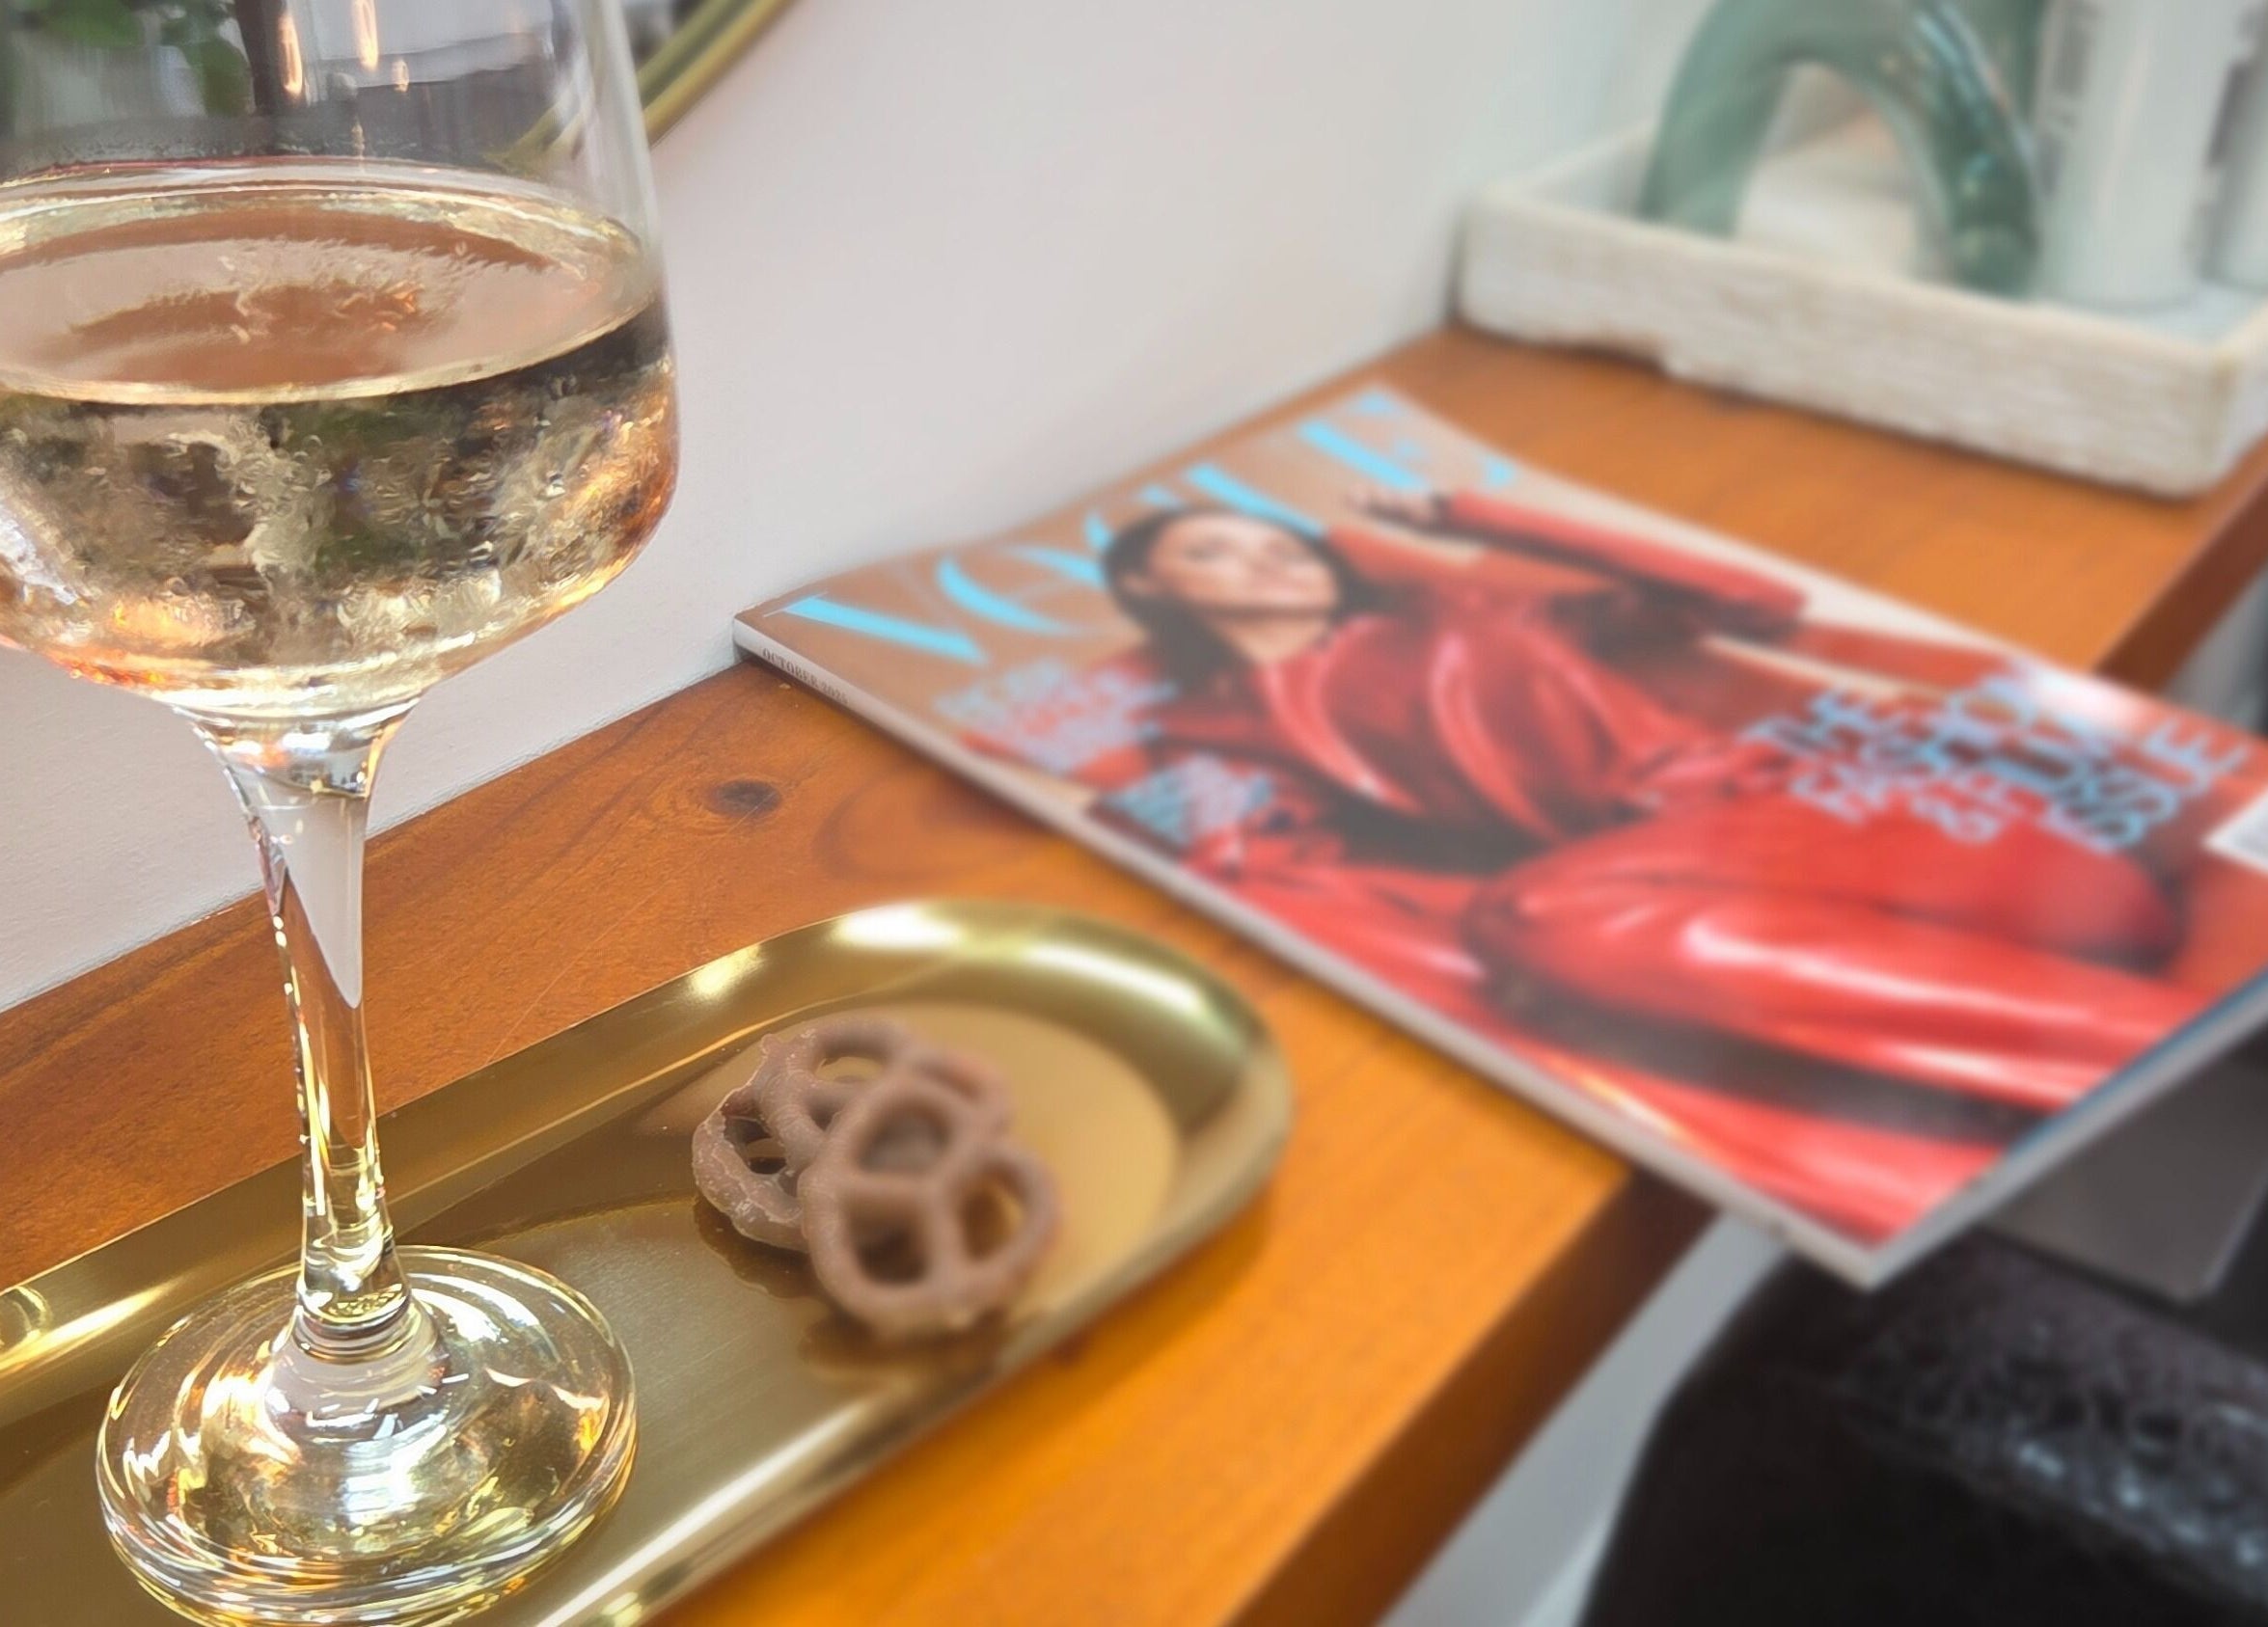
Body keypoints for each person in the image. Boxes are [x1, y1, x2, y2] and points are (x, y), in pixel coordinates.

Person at [1062, 489, 2203, 1133]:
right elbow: (1253, 869)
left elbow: (1754, 601)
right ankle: (2157, 1067)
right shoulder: (1202, 733)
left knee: (1543, 917)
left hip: (1869, 814)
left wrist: (1480, 516)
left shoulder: (1448, 604)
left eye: (1284, 544)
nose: (1270, 565)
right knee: (1540, 924)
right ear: (1154, 588)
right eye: (1214, 550)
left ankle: (2162, 1056)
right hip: (1699, 890)